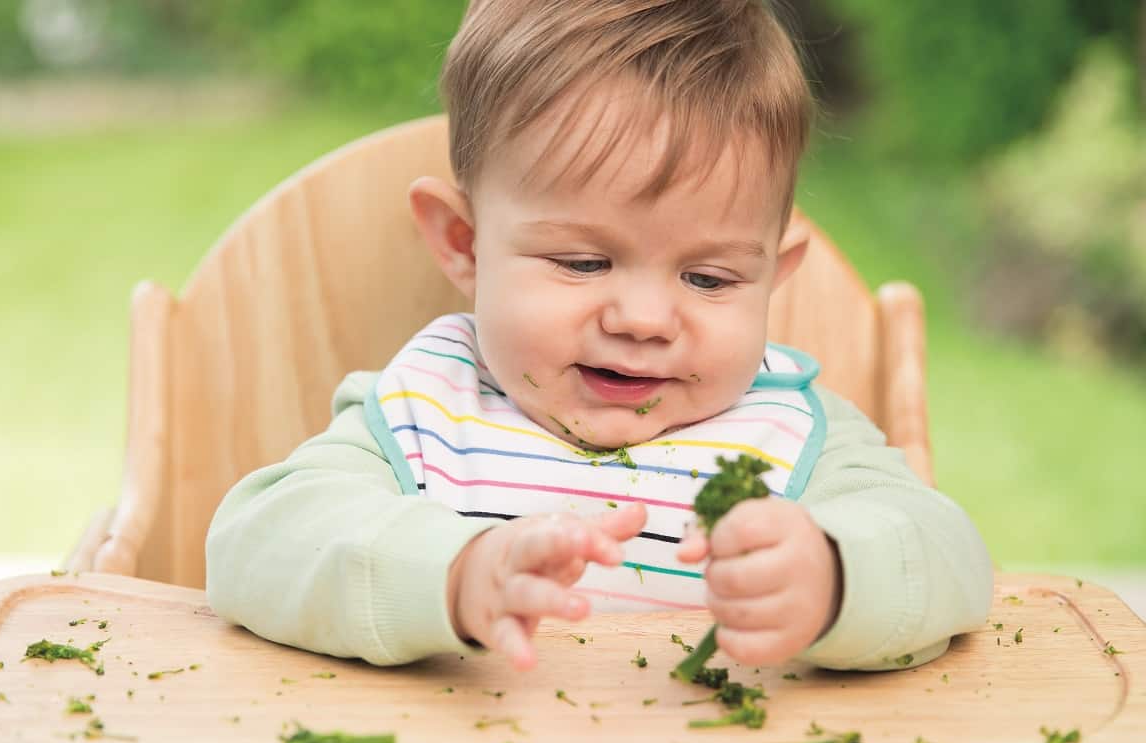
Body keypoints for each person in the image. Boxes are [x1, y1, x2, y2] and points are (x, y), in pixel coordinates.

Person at [205, 0, 993, 674]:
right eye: (584, 261)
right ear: (462, 243)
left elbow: (951, 558)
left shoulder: (795, 439)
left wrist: (834, 578)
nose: (643, 321)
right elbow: (253, 547)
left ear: (772, 279)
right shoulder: (426, 415)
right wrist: (450, 575)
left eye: (710, 280)